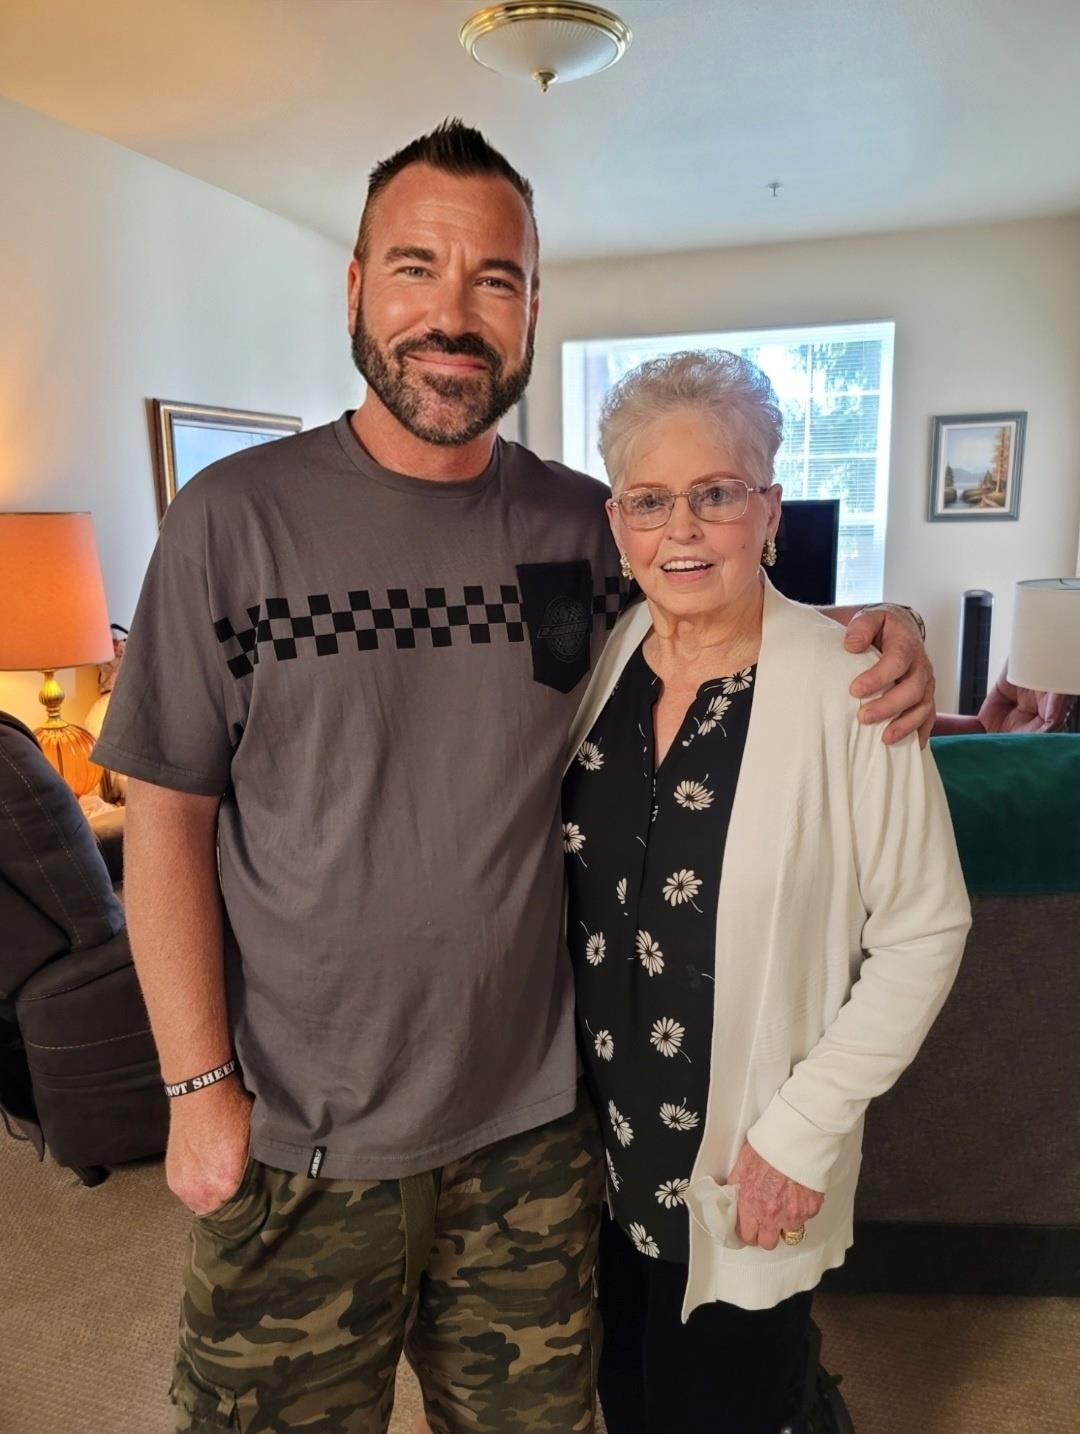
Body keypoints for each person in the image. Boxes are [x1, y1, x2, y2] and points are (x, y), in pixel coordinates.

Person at [94, 123, 935, 1434]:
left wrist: (876, 628)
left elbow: (716, 614)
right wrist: (196, 1087)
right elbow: (165, 820)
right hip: (300, 1135)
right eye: (415, 267)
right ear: (357, 284)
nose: (453, 313)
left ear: (533, 308)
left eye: (495, 279)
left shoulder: (579, 523)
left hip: (536, 1142)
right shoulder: (230, 521)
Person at [560, 350, 971, 1433]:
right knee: (627, 1394)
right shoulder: (610, 658)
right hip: (597, 1146)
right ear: (617, 523)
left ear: (770, 510)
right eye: (651, 500)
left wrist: (802, 1134)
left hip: (747, 1151)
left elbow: (926, 929)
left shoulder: (854, 688)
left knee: (730, 1403)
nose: (682, 529)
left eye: (717, 493)